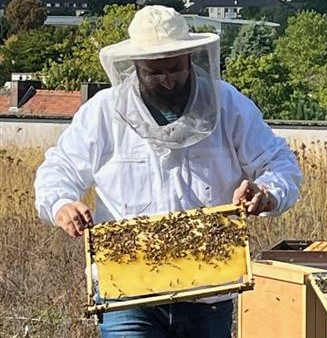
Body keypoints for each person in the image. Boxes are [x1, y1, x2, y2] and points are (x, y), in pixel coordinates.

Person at [34, 5, 302, 338]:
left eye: (175, 68)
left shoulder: (229, 105)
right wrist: (62, 203)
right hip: (127, 293)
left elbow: (280, 164)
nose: (167, 80)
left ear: (190, 57)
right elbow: (58, 168)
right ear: (134, 67)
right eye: (153, 71)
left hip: (209, 293)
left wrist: (266, 193)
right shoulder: (104, 111)